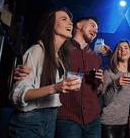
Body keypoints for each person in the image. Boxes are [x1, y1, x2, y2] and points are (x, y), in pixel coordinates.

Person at [14, 16, 109, 138]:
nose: (95, 30)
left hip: (93, 119)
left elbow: (98, 90)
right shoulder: (59, 49)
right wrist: (20, 69)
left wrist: (99, 83)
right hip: (67, 118)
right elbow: (39, 64)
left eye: (97, 29)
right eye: (92, 25)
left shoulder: (96, 58)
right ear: (79, 25)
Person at [8, 8, 81, 137]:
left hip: (50, 118)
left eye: (71, 21)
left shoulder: (60, 57)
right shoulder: (37, 51)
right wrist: (55, 87)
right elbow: (17, 94)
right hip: (30, 120)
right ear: (51, 24)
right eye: (64, 19)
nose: (70, 23)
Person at [101, 40, 130, 138]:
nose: (123, 50)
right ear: (116, 53)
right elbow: (105, 101)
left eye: (126, 48)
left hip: (126, 122)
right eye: (119, 49)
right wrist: (115, 84)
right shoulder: (109, 72)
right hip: (109, 123)